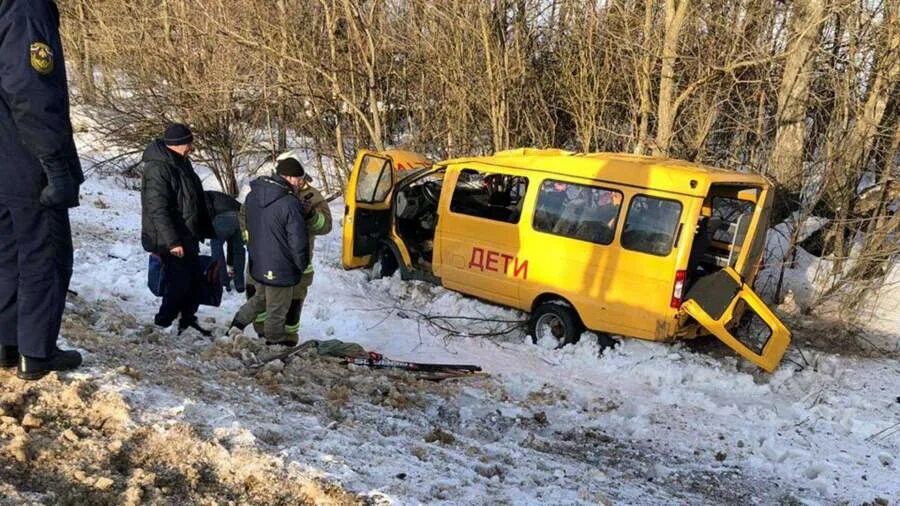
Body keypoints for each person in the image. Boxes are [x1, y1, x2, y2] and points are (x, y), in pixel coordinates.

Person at [0, 0, 85, 380]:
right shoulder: (26, 8)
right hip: (25, 154)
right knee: (45, 255)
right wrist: (53, 160)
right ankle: (37, 351)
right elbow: (32, 90)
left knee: (8, 254)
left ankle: (7, 344)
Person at [140, 123, 214, 336]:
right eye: (189, 142)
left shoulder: (181, 162)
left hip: (187, 233)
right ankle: (164, 321)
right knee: (178, 283)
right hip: (170, 238)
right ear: (178, 144)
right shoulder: (158, 168)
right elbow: (157, 208)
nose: (192, 146)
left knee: (194, 281)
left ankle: (187, 319)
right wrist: (172, 242)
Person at [230, 158, 311, 346]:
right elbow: (297, 241)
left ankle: (236, 325)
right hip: (281, 266)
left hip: (258, 263)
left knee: (260, 298)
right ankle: (274, 345)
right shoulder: (290, 203)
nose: (301, 182)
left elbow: (252, 226)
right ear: (288, 177)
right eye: (299, 179)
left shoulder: (253, 196)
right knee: (277, 308)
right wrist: (301, 265)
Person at [205, 190, 245, 293]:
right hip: (240, 215)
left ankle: (223, 281)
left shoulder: (201, 195)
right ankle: (239, 283)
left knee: (216, 246)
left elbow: (208, 209)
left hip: (223, 216)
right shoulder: (216, 194)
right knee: (238, 249)